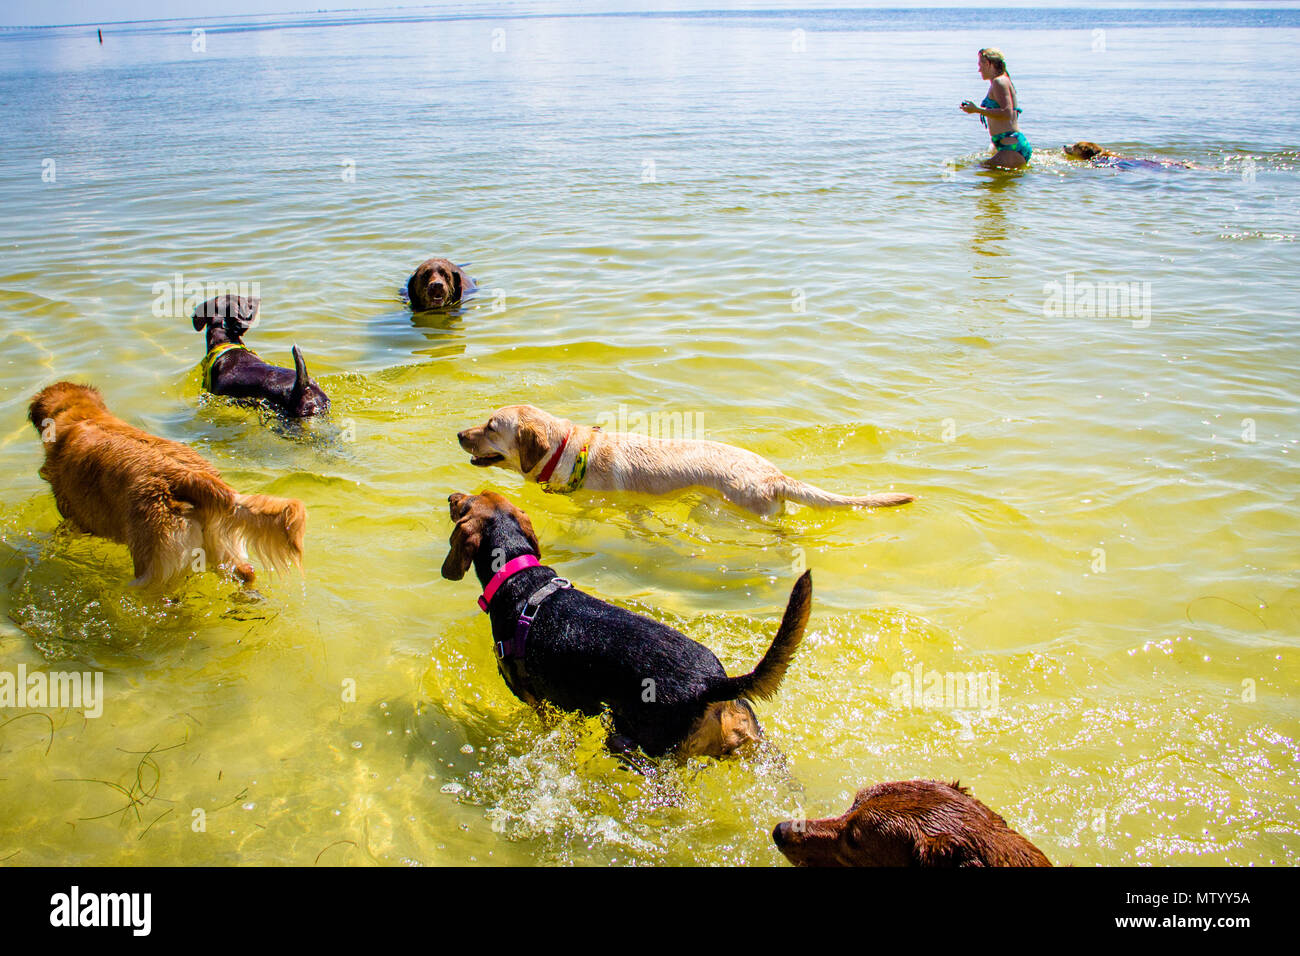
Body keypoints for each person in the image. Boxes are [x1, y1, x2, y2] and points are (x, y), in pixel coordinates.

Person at [961, 48, 1031, 169]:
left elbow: (1006, 113)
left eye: (980, 65)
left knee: (973, 171)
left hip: (1010, 148)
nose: (978, 70)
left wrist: (976, 110)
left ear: (988, 64)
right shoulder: (1002, 80)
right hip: (1009, 145)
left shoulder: (999, 82)